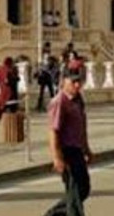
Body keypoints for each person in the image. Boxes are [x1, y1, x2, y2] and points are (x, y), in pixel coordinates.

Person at [43, 64, 93, 216]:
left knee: (83, 188)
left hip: (77, 150)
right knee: (75, 193)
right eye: (74, 82)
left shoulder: (78, 100)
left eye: (80, 81)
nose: (78, 85)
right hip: (66, 152)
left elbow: (81, 128)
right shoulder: (59, 102)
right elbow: (53, 131)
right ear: (64, 81)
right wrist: (57, 158)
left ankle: (52, 215)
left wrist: (86, 149)